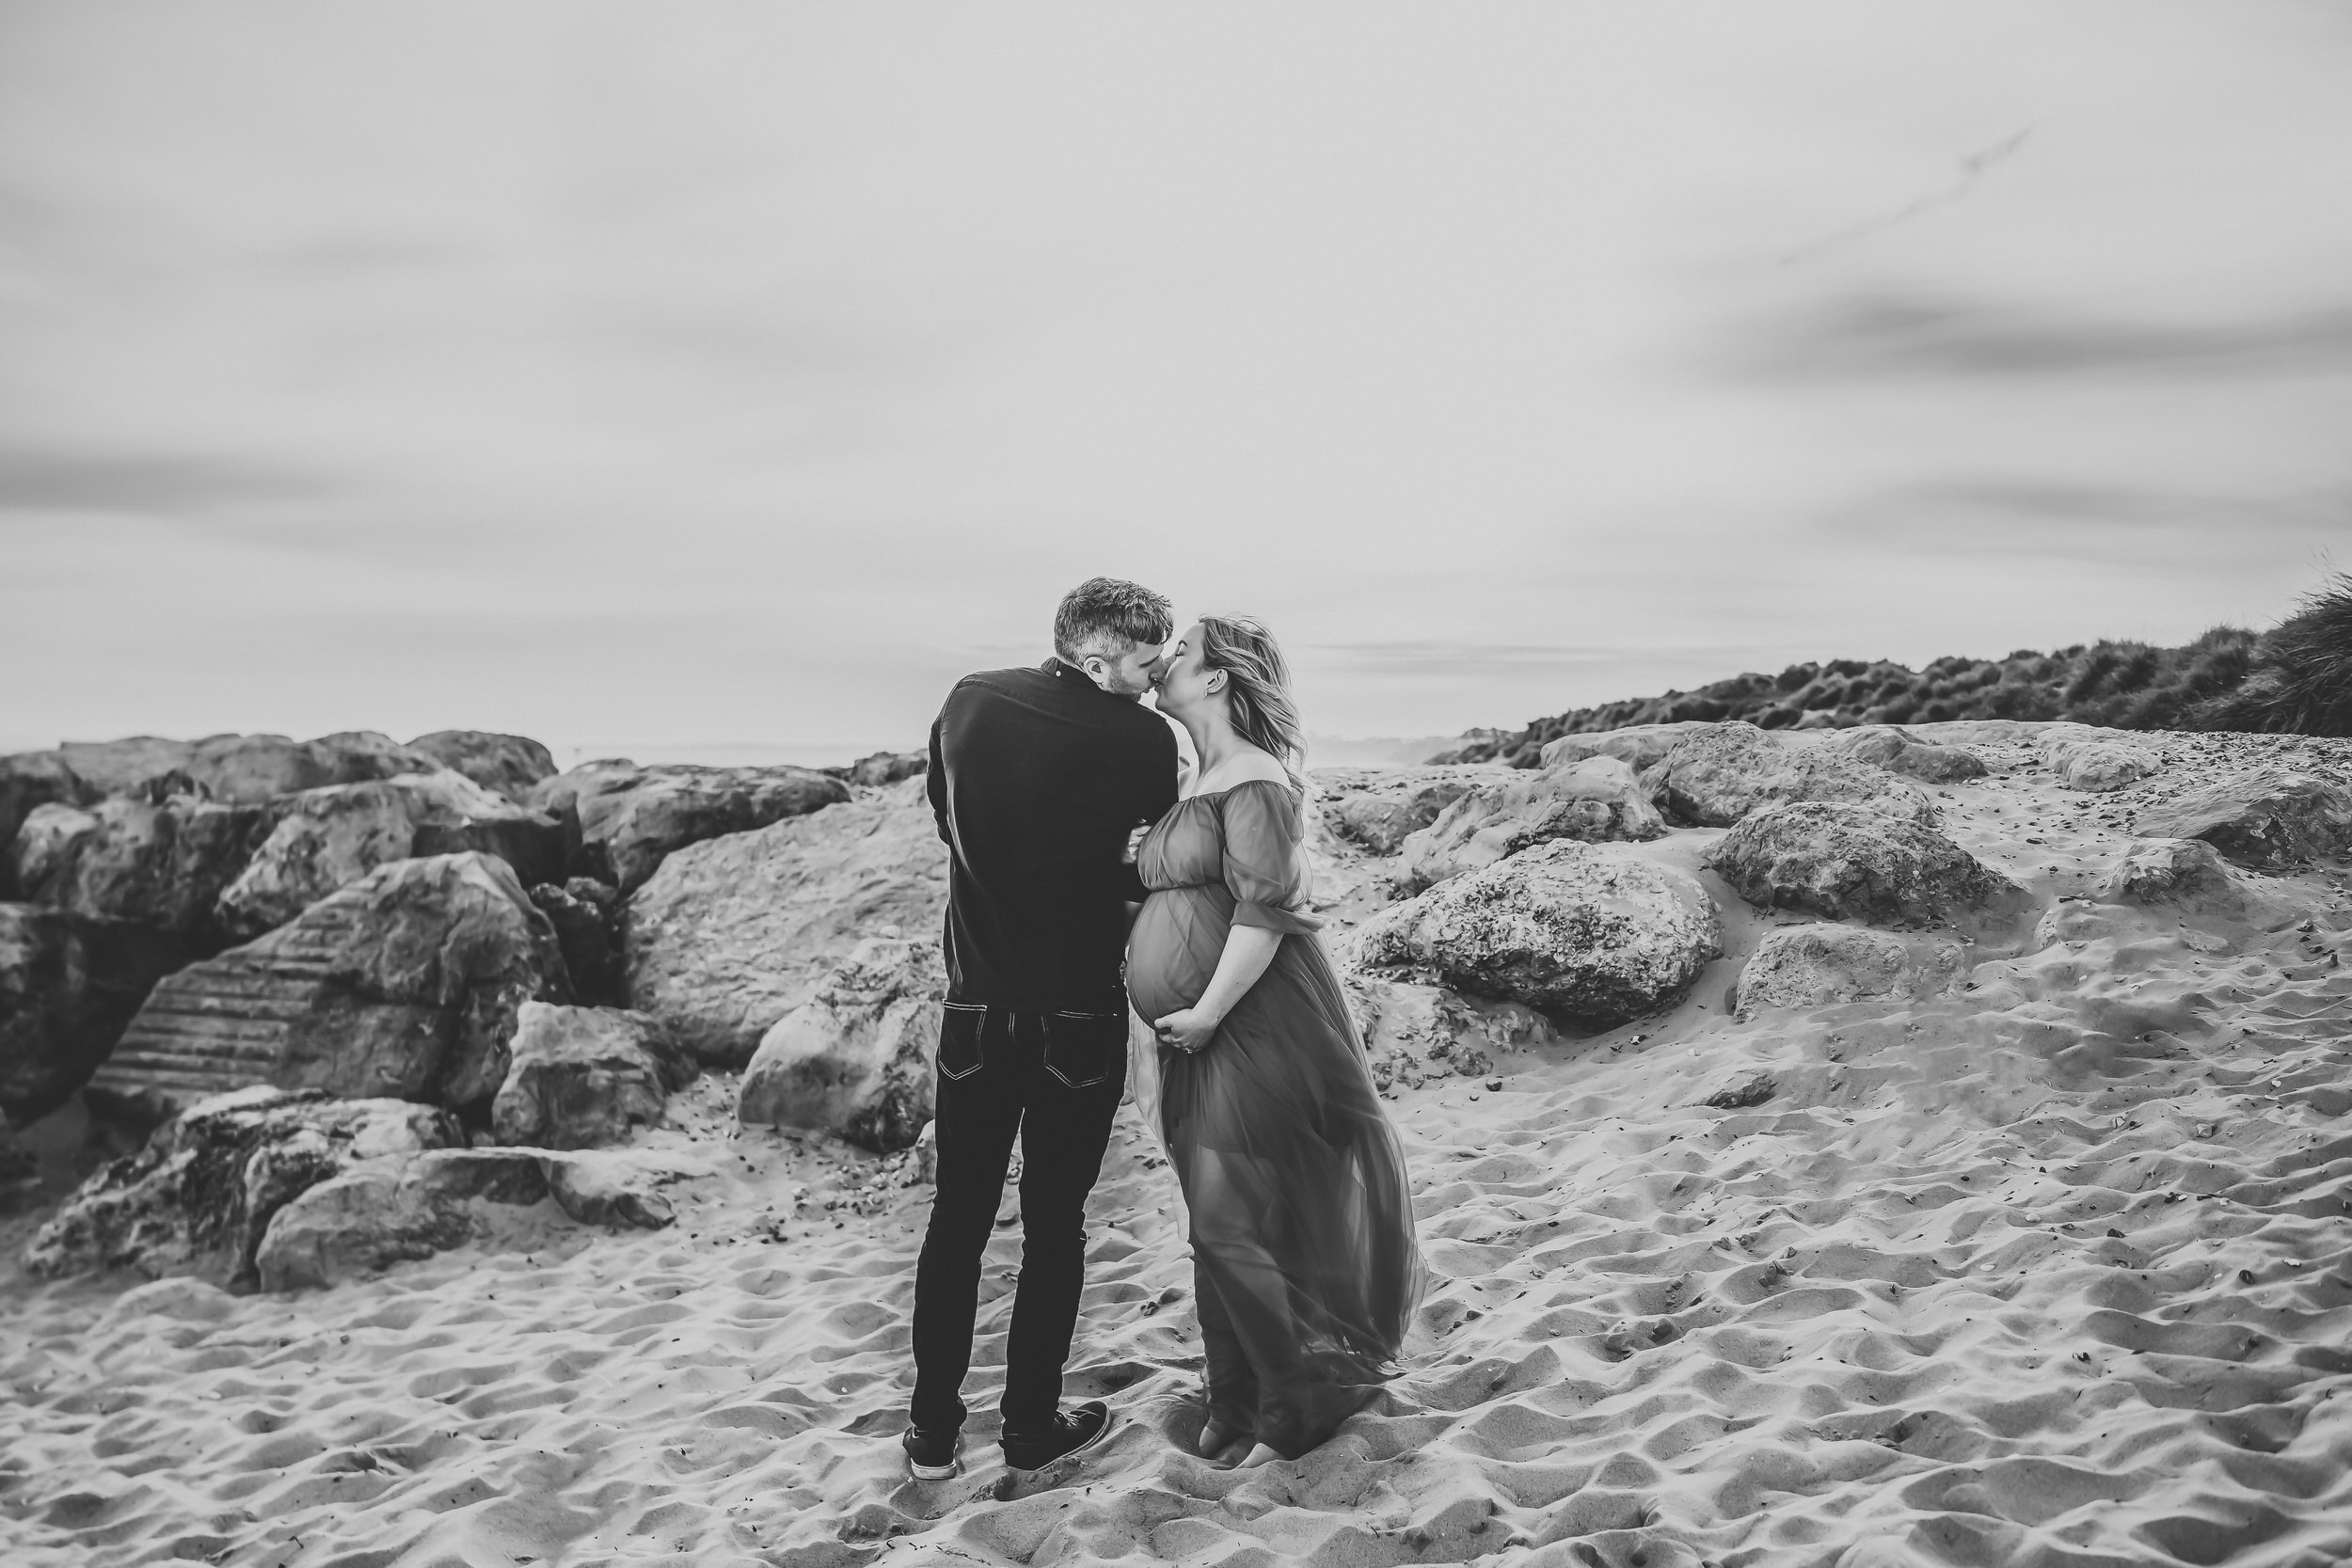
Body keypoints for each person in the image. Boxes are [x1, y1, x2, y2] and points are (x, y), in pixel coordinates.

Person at [903, 577, 1182, 1481]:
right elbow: (1143, 869)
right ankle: (1028, 1426)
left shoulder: (969, 699)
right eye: (1143, 662)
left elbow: (950, 825)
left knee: (957, 1221)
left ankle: (932, 1438)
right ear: (1096, 655)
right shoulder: (1143, 737)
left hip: (974, 1009)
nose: (1152, 680)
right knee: (1055, 1226)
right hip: (1077, 1017)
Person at [1131, 615, 1426, 1467]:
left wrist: (1211, 1010)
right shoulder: (1203, 776)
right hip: (1199, 1034)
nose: (1164, 660)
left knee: (1234, 1221)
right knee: (1214, 1220)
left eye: (1180, 651)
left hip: (1253, 1024)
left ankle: (1300, 1403)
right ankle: (1235, 1405)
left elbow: (1266, 912)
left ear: (1219, 677)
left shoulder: (1254, 777)